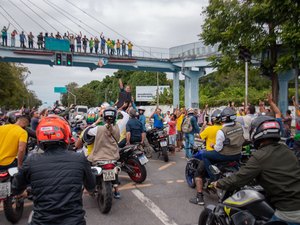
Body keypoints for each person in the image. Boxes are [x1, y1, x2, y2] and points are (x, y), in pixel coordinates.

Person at [212, 116, 300, 225]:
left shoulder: (259, 156)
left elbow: (239, 179)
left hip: (289, 212)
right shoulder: (287, 150)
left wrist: (218, 183)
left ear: (256, 133)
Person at [12, 115, 96, 225]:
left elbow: (16, 188)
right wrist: (88, 189)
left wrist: (22, 192)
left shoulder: (31, 161)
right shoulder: (79, 158)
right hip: (74, 221)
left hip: (42, 222)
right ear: (66, 134)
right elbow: (91, 185)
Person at [87, 107, 129, 199]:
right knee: (114, 169)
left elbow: (88, 131)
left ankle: (91, 188)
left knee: (88, 166)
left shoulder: (97, 129)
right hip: (113, 157)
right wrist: (120, 110)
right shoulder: (119, 126)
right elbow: (126, 116)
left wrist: (96, 122)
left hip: (98, 157)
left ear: (104, 118)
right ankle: (117, 191)